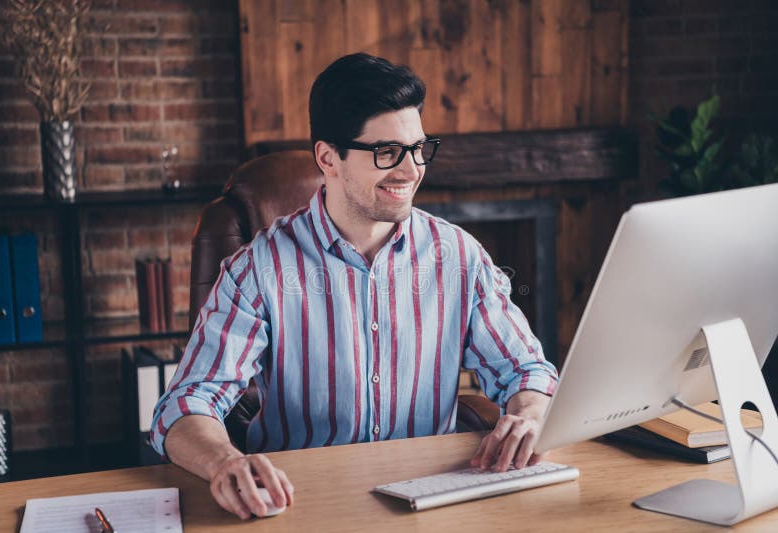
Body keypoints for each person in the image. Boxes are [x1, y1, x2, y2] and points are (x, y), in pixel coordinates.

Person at [150, 53, 559, 520]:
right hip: (303, 505)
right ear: (328, 158)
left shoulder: (460, 257)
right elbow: (185, 405)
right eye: (387, 153)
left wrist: (528, 415)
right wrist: (225, 461)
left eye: (419, 149)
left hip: (434, 502)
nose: (411, 171)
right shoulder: (258, 269)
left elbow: (527, 370)